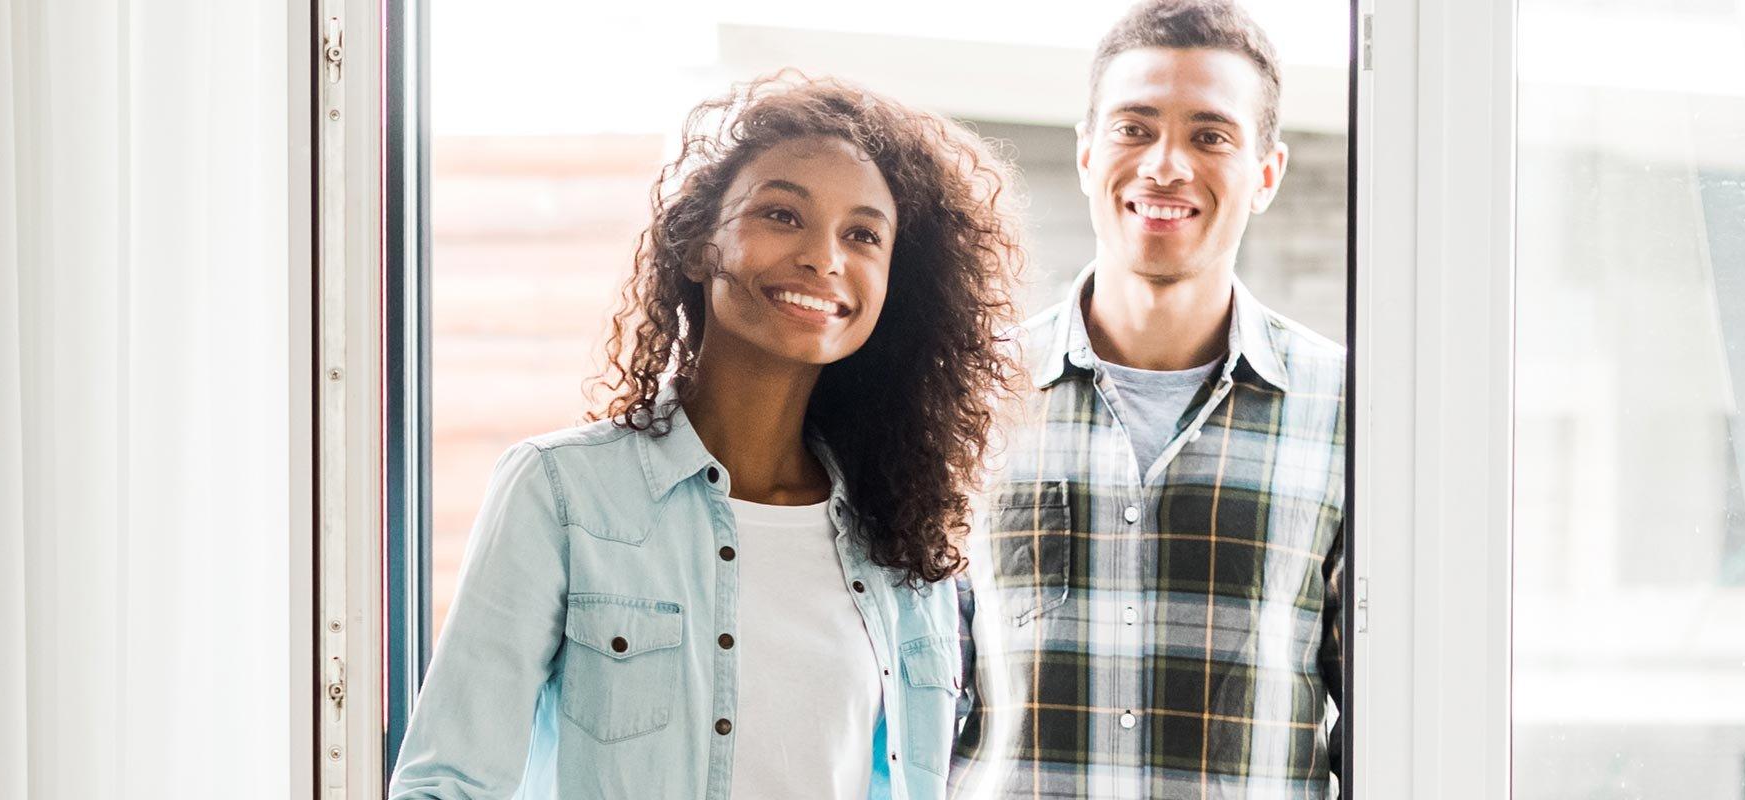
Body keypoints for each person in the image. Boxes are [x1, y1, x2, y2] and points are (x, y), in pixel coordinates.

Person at [388, 71, 1027, 800]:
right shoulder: (562, 494)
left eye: (862, 234)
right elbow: (445, 785)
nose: (825, 257)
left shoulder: (902, 542)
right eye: (783, 215)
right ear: (697, 245)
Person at [952, 1, 1355, 796]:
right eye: (1135, 128)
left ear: (1266, 173)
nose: (1165, 164)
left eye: (1210, 135)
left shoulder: (1347, 408)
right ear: (1086, 154)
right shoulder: (970, 393)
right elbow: (916, 687)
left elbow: (1386, 722)